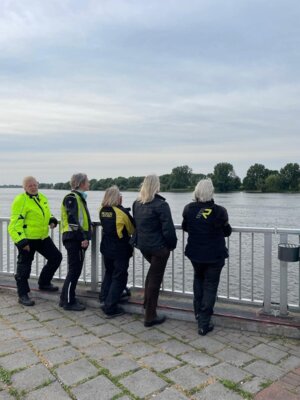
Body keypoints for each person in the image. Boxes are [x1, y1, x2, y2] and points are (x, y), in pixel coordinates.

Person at [182, 178, 232, 336]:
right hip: (215, 255)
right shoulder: (220, 211)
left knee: (198, 280)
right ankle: (204, 323)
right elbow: (227, 231)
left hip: (195, 254)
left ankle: (198, 313)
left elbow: (185, 227)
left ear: (196, 192)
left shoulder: (189, 209)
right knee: (210, 286)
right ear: (212, 192)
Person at [8, 176, 62, 306]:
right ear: (24, 188)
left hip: (42, 237)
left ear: (37, 184)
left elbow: (46, 213)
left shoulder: (42, 197)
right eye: (29, 185)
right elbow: (14, 224)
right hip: (27, 240)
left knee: (56, 257)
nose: (33, 187)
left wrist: (52, 220)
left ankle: (44, 282)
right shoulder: (21, 200)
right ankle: (23, 294)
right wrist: (22, 241)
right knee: (24, 267)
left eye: (34, 184)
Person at [132, 174, 177, 327]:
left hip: (144, 246)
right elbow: (168, 230)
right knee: (155, 280)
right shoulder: (161, 205)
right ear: (157, 186)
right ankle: (150, 317)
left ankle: (146, 304)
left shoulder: (137, 204)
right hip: (159, 248)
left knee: (152, 274)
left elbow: (137, 226)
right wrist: (171, 246)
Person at [99, 186, 135, 317]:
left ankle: (104, 298)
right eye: (120, 195)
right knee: (119, 276)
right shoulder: (121, 212)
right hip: (120, 248)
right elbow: (131, 229)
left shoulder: (102, 210)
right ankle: (110, 307)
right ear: (117, 197)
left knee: (109, 273)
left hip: (106, 247)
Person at [60, 173, 92, 311]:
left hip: (75, 238)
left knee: (75, 270)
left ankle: (66, 298)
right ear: (80, 183)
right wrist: (83, 238)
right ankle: (68, 301)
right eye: (87, 181)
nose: (89, 184)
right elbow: (73, 220)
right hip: (74, 238)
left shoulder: (78, 198)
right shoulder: (72, 198)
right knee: (74, 270)